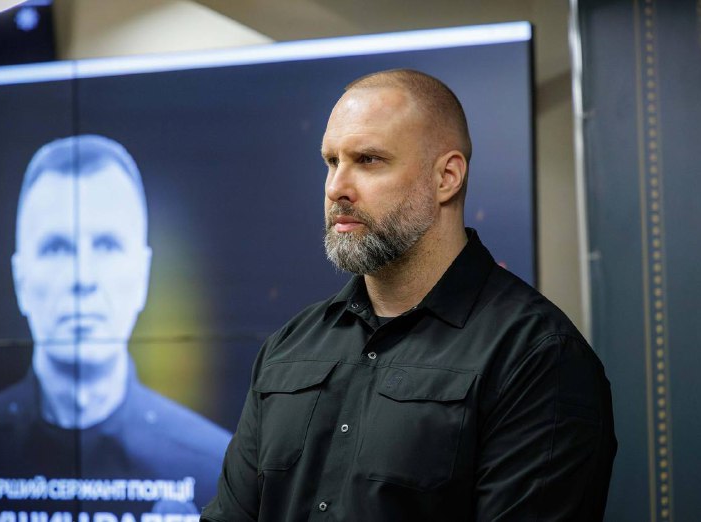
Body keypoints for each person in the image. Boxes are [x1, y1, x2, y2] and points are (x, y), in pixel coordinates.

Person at [201, 69, 617, 521]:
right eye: (331, 161)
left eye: (368, 160)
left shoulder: (538, 357)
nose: (336, 187)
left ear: (447, 177)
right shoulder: (289, 348)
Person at [0, 135, 231, 515]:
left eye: (107, 245)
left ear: (142, 274)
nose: (83, 277)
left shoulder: (217, 471)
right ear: (20, 279)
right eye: (57, 248)